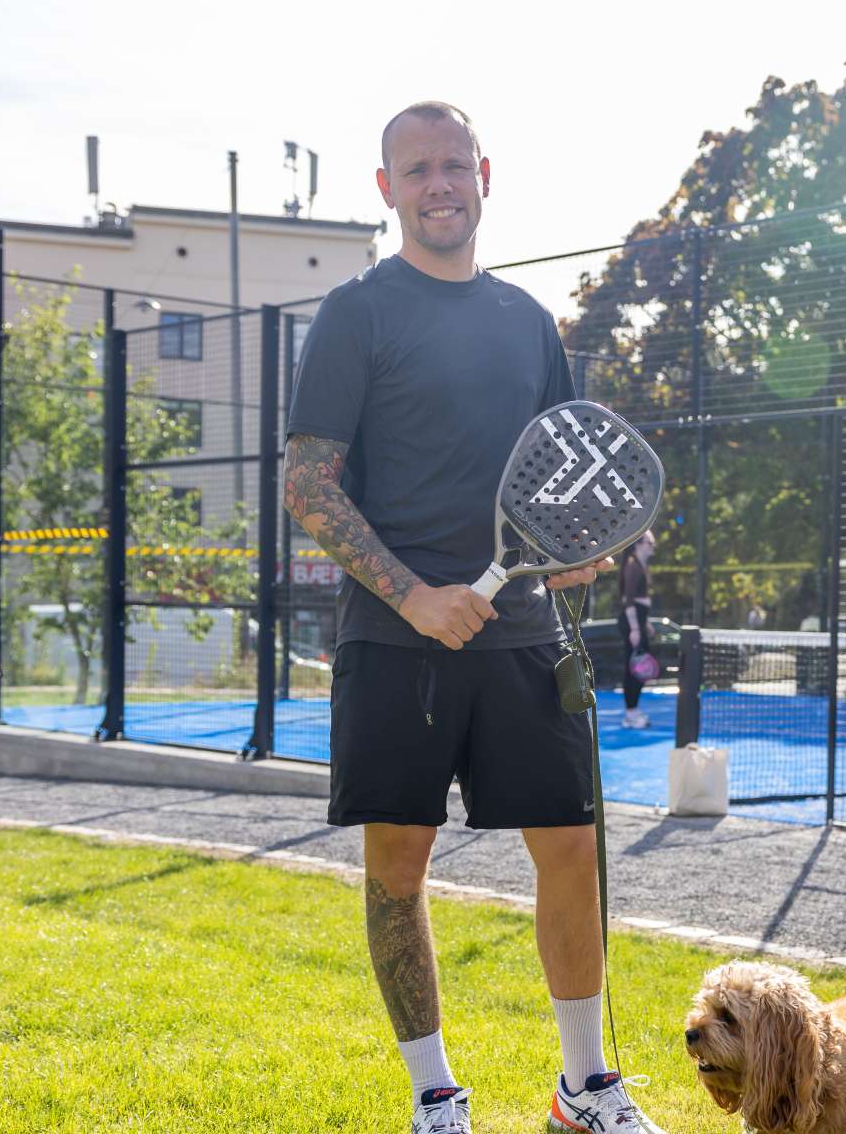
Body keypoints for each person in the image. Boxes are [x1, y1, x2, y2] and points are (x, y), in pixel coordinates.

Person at [282, 101, 666, 1134]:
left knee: (572, 850)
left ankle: (584, 1088)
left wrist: (572, 555)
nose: (439, 185)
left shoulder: (527, 322)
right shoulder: (355, 314)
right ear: (386, 189)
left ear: (484, 176)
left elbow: (560, 471)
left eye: (454, 164)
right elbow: (308, 484)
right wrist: (413, 595)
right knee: (397, 869)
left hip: (523, 632)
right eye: (417, 170)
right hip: (392, 639)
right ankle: (434, 1095)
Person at [618, 532, 656, 730]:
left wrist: (645, 622)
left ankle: (633, 710)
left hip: (639, 620)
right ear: (638, 544)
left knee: (639, 668)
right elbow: (628, 599)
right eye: (650, 542)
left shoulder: (640, 565)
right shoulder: (633, 565)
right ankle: (630, 714)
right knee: (633, 668)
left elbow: (641, 600)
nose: (653, 545)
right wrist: (634, 628)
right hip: (632, 621)